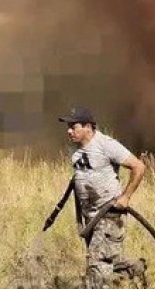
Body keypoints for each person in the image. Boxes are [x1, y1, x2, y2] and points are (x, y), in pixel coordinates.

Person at [58, 106, 148, 288]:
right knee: (111, 262)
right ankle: (134, 270)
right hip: (90, 218)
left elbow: (139, 167)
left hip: (108, 215)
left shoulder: (106, 144)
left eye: (73, 126)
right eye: (68, 126)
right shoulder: (76, 152)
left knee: (97, 266)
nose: (69, 131)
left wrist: (125, 197)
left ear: (88, 127)